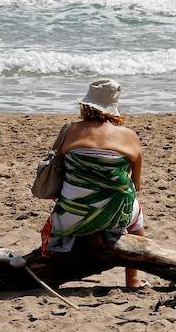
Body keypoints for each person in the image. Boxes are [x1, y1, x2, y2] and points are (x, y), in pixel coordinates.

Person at [39, 78, 147, 288]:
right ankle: (132, 279)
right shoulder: (129, 136)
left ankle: (48, 273)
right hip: (117, 217)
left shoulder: (69, 130)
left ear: (86, 104)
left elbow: (57, 171)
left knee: (61, 209)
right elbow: (136, 185)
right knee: (138, 223)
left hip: (71, 216)